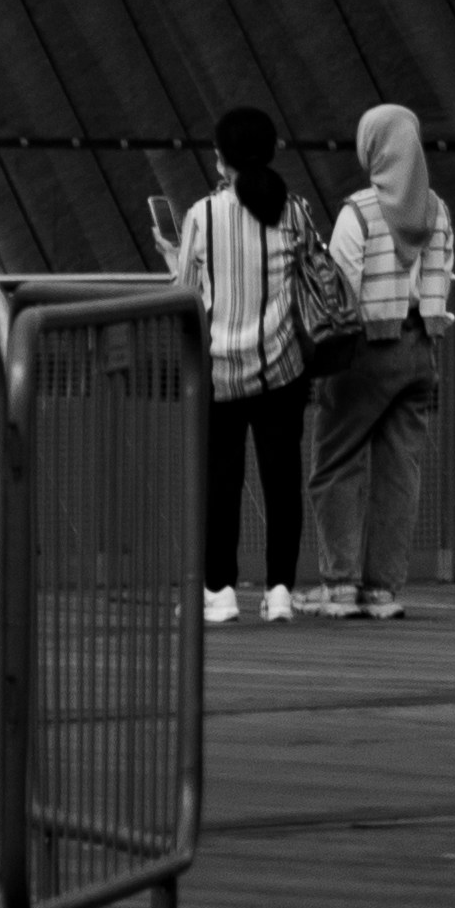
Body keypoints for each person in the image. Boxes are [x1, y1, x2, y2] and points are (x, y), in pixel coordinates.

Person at [169, 105, 319, 625]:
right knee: (282, 480)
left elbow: (184, 291)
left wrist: (175, 255)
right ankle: (280, 591)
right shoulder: (294, 209)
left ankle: (221, 591)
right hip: (282, 366)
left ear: (220, 160)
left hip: (219, 369)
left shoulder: (200, 216)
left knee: (221, 481)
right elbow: (317, 276)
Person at [308, 100, 455, 618]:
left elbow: (339, 289)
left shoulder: (359, 212)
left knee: (336, 461)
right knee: (400, 472)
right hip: (422, 352)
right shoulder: (438, 211)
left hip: (366, 352)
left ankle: (340, 585)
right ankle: (383, 590)